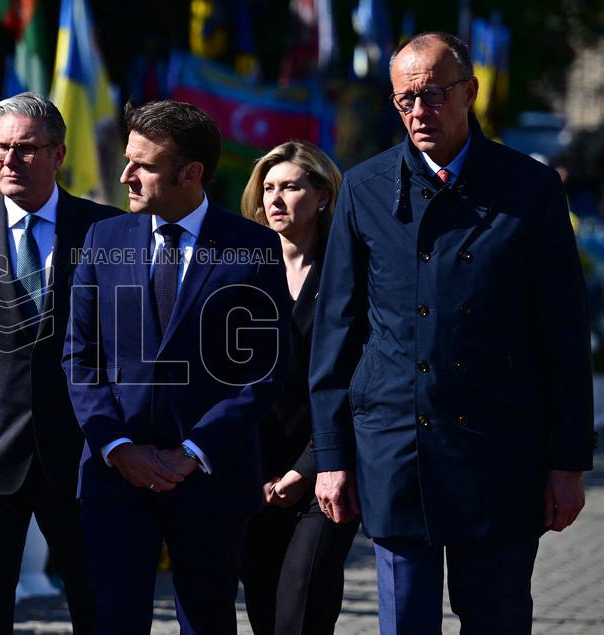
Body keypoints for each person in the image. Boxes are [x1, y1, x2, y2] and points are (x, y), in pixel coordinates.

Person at [310, 32, 595, 633]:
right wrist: (332, 459)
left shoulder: (530, 189)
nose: (419, 113)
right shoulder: (363, 190)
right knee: (405, 620)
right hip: (395, 449)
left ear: (470, 92)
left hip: (500, 452)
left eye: (434, 96)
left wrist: (568, 462)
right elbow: (336, 334)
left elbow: (564, 337)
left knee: (496, 618)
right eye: (404, 101)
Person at [63, 100, 291, 634]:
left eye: (142, 165)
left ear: (190, 173)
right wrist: (118, 448)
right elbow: (79, 354)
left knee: (207, 619)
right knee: (113, 620)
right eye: (127, 160)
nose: (126, 176)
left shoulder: (253, 248)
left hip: (211, 478)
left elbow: (262, 370)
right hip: (114, 477)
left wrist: (193, 451)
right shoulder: (104, 238)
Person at [0, 92, 119, 635]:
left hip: (85, 457)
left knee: (101, 611)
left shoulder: (108, 233)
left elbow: (128, 348)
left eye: (25, 149)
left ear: (58, 154)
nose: (8, 161)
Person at [238, 141, 358, 634]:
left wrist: (305, 468)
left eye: (290, 186)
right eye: (268, 188)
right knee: (265, 614)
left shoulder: (349, 273)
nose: (276, 198)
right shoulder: (242, 270)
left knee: (300, 611)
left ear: (324, 196)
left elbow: (358, 378)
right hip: (251, 472)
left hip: (326, 469)